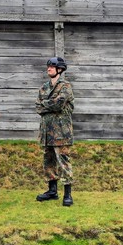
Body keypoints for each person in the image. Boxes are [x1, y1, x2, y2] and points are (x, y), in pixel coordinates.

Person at [35, 56, 75, 206]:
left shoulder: (65, 86)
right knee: (48, 161)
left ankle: (67, 194)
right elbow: (38, 107)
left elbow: (59, 104)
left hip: (61, 132)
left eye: (52, 67)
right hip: (47, 132)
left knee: (63, 162)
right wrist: (49, 104)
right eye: (48, 67)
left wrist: (46, 104)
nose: (49, 69)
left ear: (59, 69)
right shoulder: (43, 87)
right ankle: (52, 191)